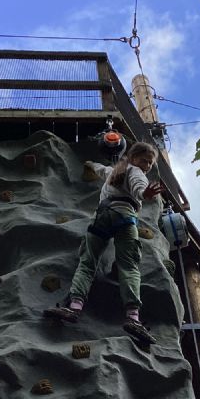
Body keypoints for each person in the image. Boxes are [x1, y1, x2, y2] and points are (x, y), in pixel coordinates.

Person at [44, 141, 165, 344]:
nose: (147, 166)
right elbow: (139, 187)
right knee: (129, 266)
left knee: (88, 262)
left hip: (101, 216)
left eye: (150, 163)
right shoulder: (136, 172)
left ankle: (74, 307)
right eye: (145, 161)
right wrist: (145, 194)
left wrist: (90, 164)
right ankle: (133, 317)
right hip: (124, 217)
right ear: (134, 158)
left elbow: (100, 169)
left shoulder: (114, 171)